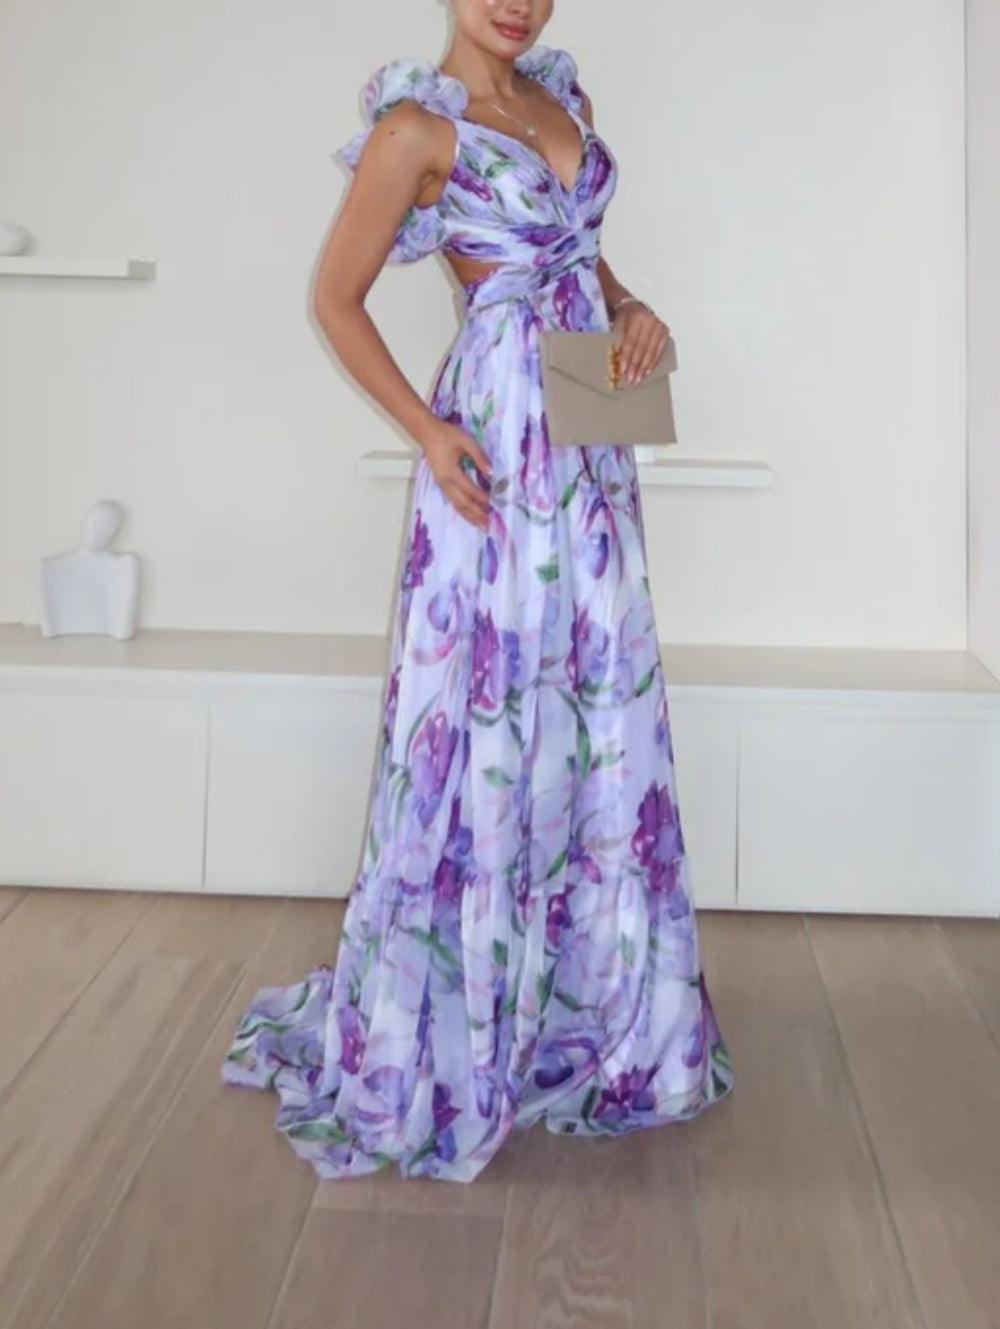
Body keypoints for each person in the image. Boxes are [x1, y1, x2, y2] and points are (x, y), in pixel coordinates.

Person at [219, 0, 734, 1184]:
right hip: (494, 440)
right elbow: (335, 299)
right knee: (483, 713)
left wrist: (631, 309)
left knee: (599, 703)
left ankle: (591, 1011)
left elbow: (579, 257)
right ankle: (458, 1022)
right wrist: (427, 429)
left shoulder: (563, 97)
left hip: (588, 435)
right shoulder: (415, 129)